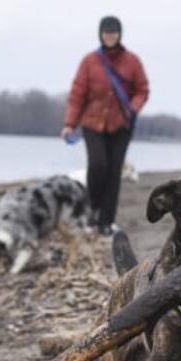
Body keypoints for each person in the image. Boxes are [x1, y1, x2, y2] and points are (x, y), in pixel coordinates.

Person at [62, 15, 149, 236]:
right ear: (100, 34)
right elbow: (77, 94)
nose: (110, 36)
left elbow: (143, 89)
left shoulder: (132, 61)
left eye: (114, 32)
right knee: (98, 166)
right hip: (93, 123)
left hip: (121, 125)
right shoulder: (90, 61)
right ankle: (92, 214)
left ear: (120, 34)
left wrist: (134, 107)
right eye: (106, 32)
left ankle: (107, 222)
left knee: (113, 172)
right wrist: (70, 124)